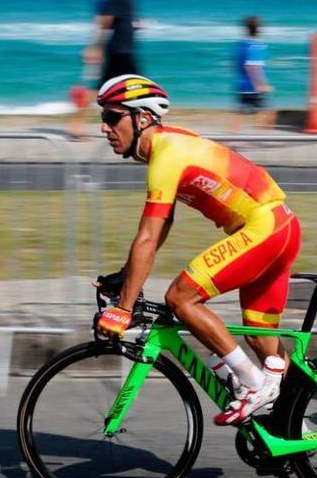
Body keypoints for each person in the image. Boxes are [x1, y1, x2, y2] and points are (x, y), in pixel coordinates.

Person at [93, 74, 301, 425]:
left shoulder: (166, 155)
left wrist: (123, 309)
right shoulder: (169, 147)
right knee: (260, 338)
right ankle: (294, 432)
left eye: (113, 117)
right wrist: (127, 277)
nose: (104, 128)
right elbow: (161, 230)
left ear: (142, 118)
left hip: (264, 229)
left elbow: (147, 235)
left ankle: (252, 384)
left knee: (180, 298)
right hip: (281, 228)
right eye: (103, 118)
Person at [68, 0, 140, 139]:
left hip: (124, 49)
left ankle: (78, 124)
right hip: (120, 50)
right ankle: (77, 125)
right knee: (136, 88)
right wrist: (96, 47)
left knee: (105, 88)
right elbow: (104, 20)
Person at [228, 15, 275, 133]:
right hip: (253, 87)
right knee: (267, 111)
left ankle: (232, 137)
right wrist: (261, 84)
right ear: (259, 29)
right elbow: (252, 67)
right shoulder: (255, 46)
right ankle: (265, 138)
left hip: (242, 85)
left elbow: (236, 63)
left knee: (241, 113)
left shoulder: (241, 44)